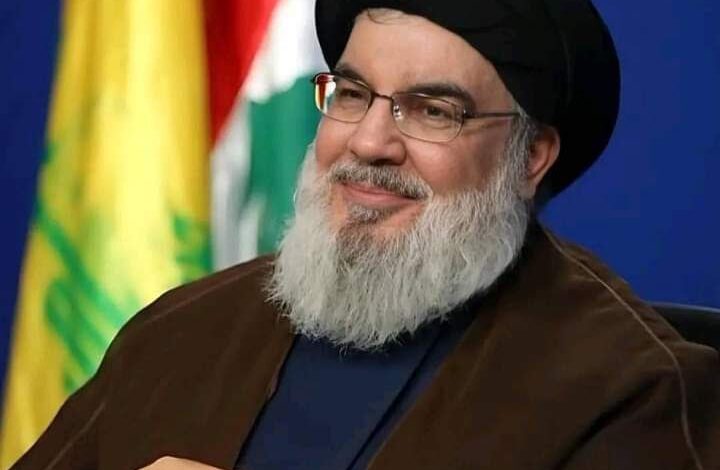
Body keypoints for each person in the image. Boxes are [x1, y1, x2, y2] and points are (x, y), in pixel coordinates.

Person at [12, 0, 720, 469]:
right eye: (351, 95)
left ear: (530, 156)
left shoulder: (632, 389)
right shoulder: (183, 329)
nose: (370, 142)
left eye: (433, 110)